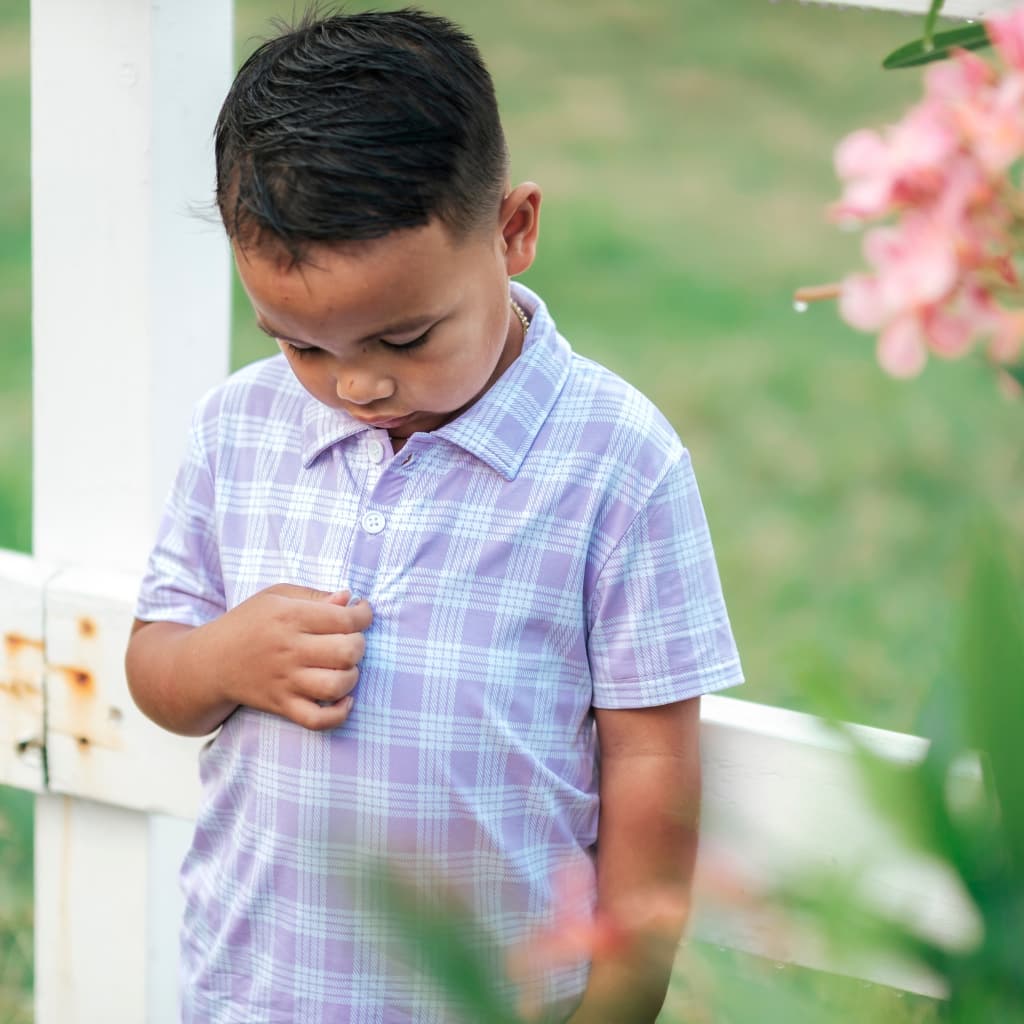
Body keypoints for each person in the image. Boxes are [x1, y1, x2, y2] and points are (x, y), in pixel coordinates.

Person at [125, 8, 744, 1023]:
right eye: (301, 344)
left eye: (406, 337)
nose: (357, 385)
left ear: (513, 231)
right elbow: (155, 662)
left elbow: (651, 760)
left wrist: (620, 1000)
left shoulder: (616, 463)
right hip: (257, 993)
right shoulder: (238, 427)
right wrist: (221, 660)